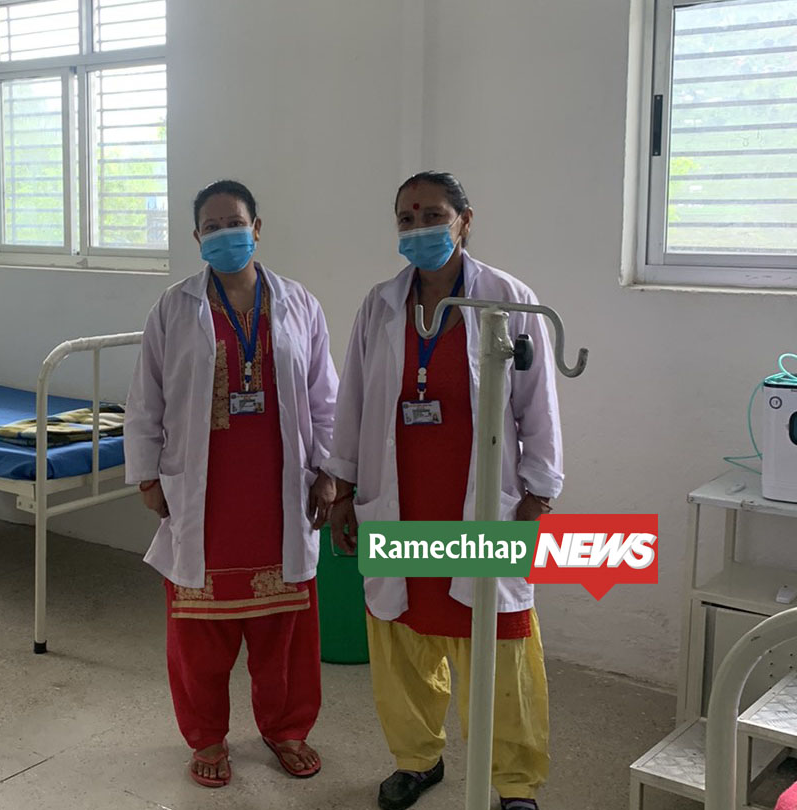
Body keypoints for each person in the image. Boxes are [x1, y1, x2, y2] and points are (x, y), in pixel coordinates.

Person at [325, 171, 563, 810]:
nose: (419, 228)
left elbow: (538, 404)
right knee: (401, 638)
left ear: (465, 219)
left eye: (433, 214)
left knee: (500, 642)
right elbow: (353, 401)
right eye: (406, 218)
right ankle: (416, 760)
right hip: (399, 498)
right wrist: (342, 489)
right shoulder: (380, 304)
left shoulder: (508, 299)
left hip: (481, 503)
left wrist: (538, 493)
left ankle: (514, 784)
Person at [125, 179, 339, 788]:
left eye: (235, 223)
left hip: (280, 493)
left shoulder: (299, 303)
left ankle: (286, 727)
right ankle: (207, 736)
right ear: (197, 237)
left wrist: (328, 470)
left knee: (285, 627)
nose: (225, 235)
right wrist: (146, 475)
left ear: (257, 227)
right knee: (199, 629)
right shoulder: (173, 307)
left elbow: (325, 396)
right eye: (212, 227)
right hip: (205, 496)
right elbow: (146, 398)